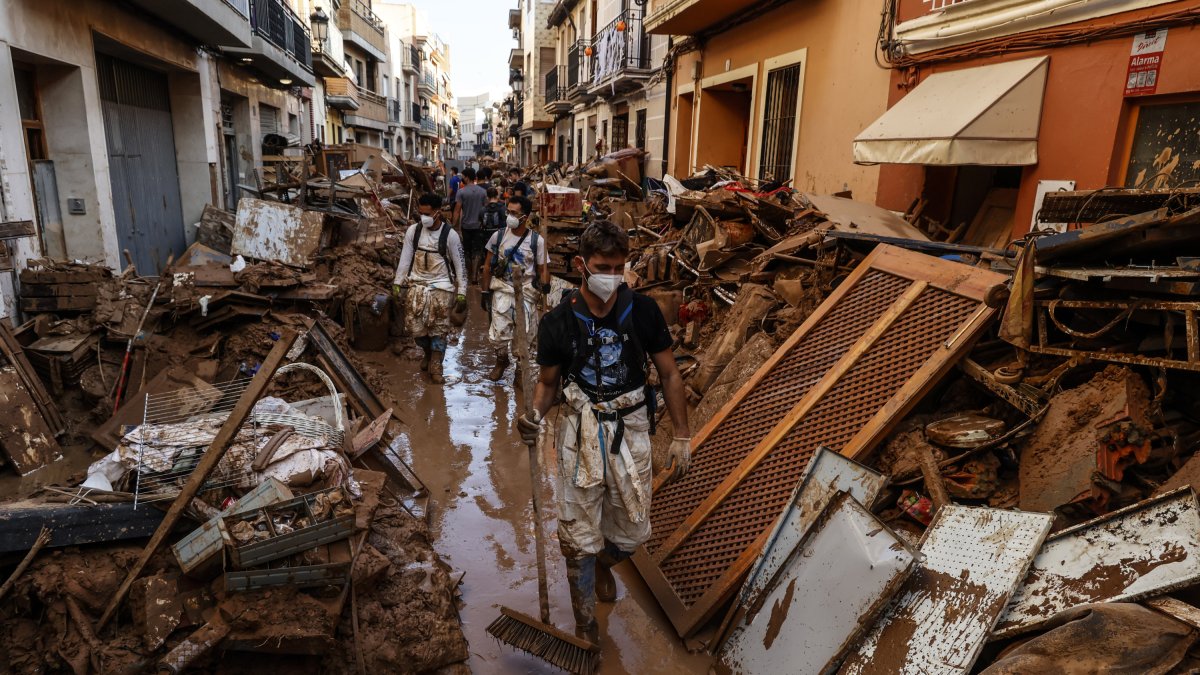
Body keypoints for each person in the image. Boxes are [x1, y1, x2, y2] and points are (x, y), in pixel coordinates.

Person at [517, 221, 692, 644]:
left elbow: (669, 374)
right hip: (579, 429)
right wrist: (534, 417)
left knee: (632, 532)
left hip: (630, 427)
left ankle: (603, 564)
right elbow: (547, 384)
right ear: (581, 265)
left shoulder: (643, 311)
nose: (611, 275)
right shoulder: (557, 321)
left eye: (618, 266)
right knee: (577, 535)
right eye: (602, 266)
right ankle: (586, 630)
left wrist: (683, 435)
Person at [392, 194, 467, 385]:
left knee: (439, 329)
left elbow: (460, 266)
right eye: (420, 213)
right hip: (417, 285)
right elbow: (405, 258)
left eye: (427, 213)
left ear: (437, 212)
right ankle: (427, 352)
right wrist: (397, 283)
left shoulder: (450, 235)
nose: (423, 217)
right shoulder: (413, 232)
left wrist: (462, 293)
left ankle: (436, 365)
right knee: (415, 328)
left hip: (442, 287)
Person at [481, 195, 549, 382]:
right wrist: (484, 291)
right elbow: (487, 266)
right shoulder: (498, 236)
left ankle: (521, 370)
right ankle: (501, 360)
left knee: (526, 335)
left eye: (514, 213)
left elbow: (543, 268)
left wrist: (545, 287)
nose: (509, 216)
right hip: (502, 289)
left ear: (524, 217)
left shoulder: (537, 241)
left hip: (527, 292)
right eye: (508, 212)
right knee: (498, 332)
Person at [454, 167, 488, 283]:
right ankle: (475, 276)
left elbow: (457, 211)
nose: (462, 179)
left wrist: (454, 225)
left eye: (463, 177)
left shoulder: (461, 192)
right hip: (479, 226)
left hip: (466, 226)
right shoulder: (483, 192)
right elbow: (486, 209)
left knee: (467, 251)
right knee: (477, 251)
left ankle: (468, 275)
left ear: (467, 177)